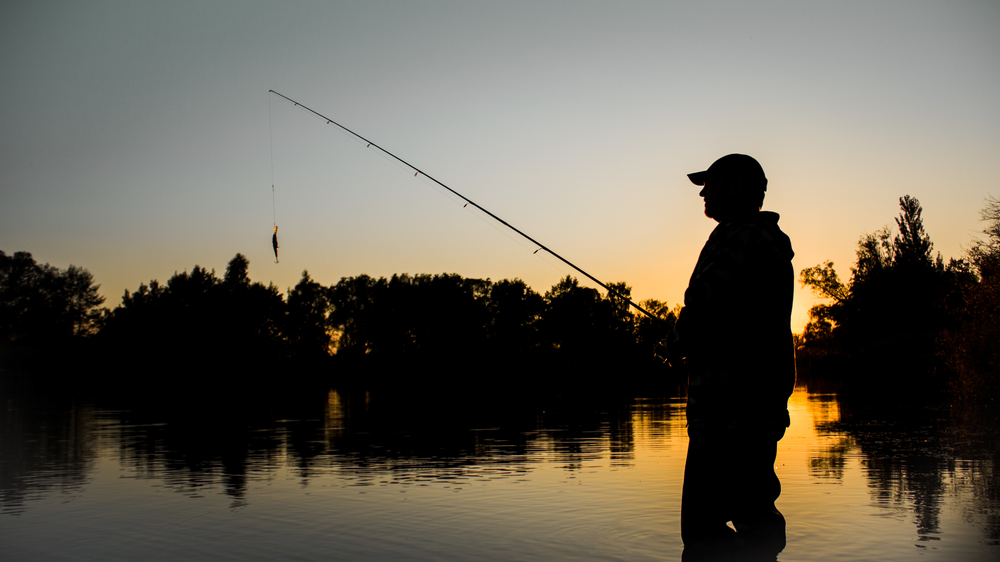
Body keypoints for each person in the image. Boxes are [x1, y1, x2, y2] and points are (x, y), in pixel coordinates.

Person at [668, 154, 795, 558]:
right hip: (757, 405)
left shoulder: (738, 236)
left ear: (738, 186)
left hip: (727, 410)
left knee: (703, 528)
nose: (703, 193)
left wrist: (676, 340)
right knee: (755, 513)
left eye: (712, 183)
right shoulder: (767, 239)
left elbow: (706, 306)